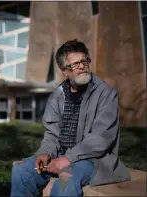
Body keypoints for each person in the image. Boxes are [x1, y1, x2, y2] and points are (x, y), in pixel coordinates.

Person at [11, 39, 130, 196]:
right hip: (60, 156)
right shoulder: (57, 96)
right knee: (22, 171)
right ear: (64, 71)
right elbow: (52, 134)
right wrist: (45, 153)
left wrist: (67, 159)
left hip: (92, 160)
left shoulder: (105, 94)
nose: (81, 66)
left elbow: (101, 138)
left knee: (66, 180)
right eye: (74, 64)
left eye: (84, 61)